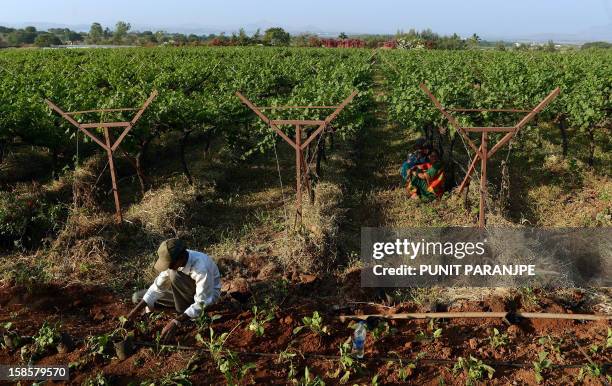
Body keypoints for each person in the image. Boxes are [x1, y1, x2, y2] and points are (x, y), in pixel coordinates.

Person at [127, 238, 221, 340]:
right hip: (183, 291)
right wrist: (134, 311)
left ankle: (185, 316)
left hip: (207, 296)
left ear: (180, 258)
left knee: (174, 275)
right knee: (138, 298)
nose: (169, 267)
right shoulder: (177, 260)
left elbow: (202, 302)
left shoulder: (201, 268)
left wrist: (177, 321)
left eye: (170, 265)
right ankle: (182, 309)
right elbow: (158, 287)